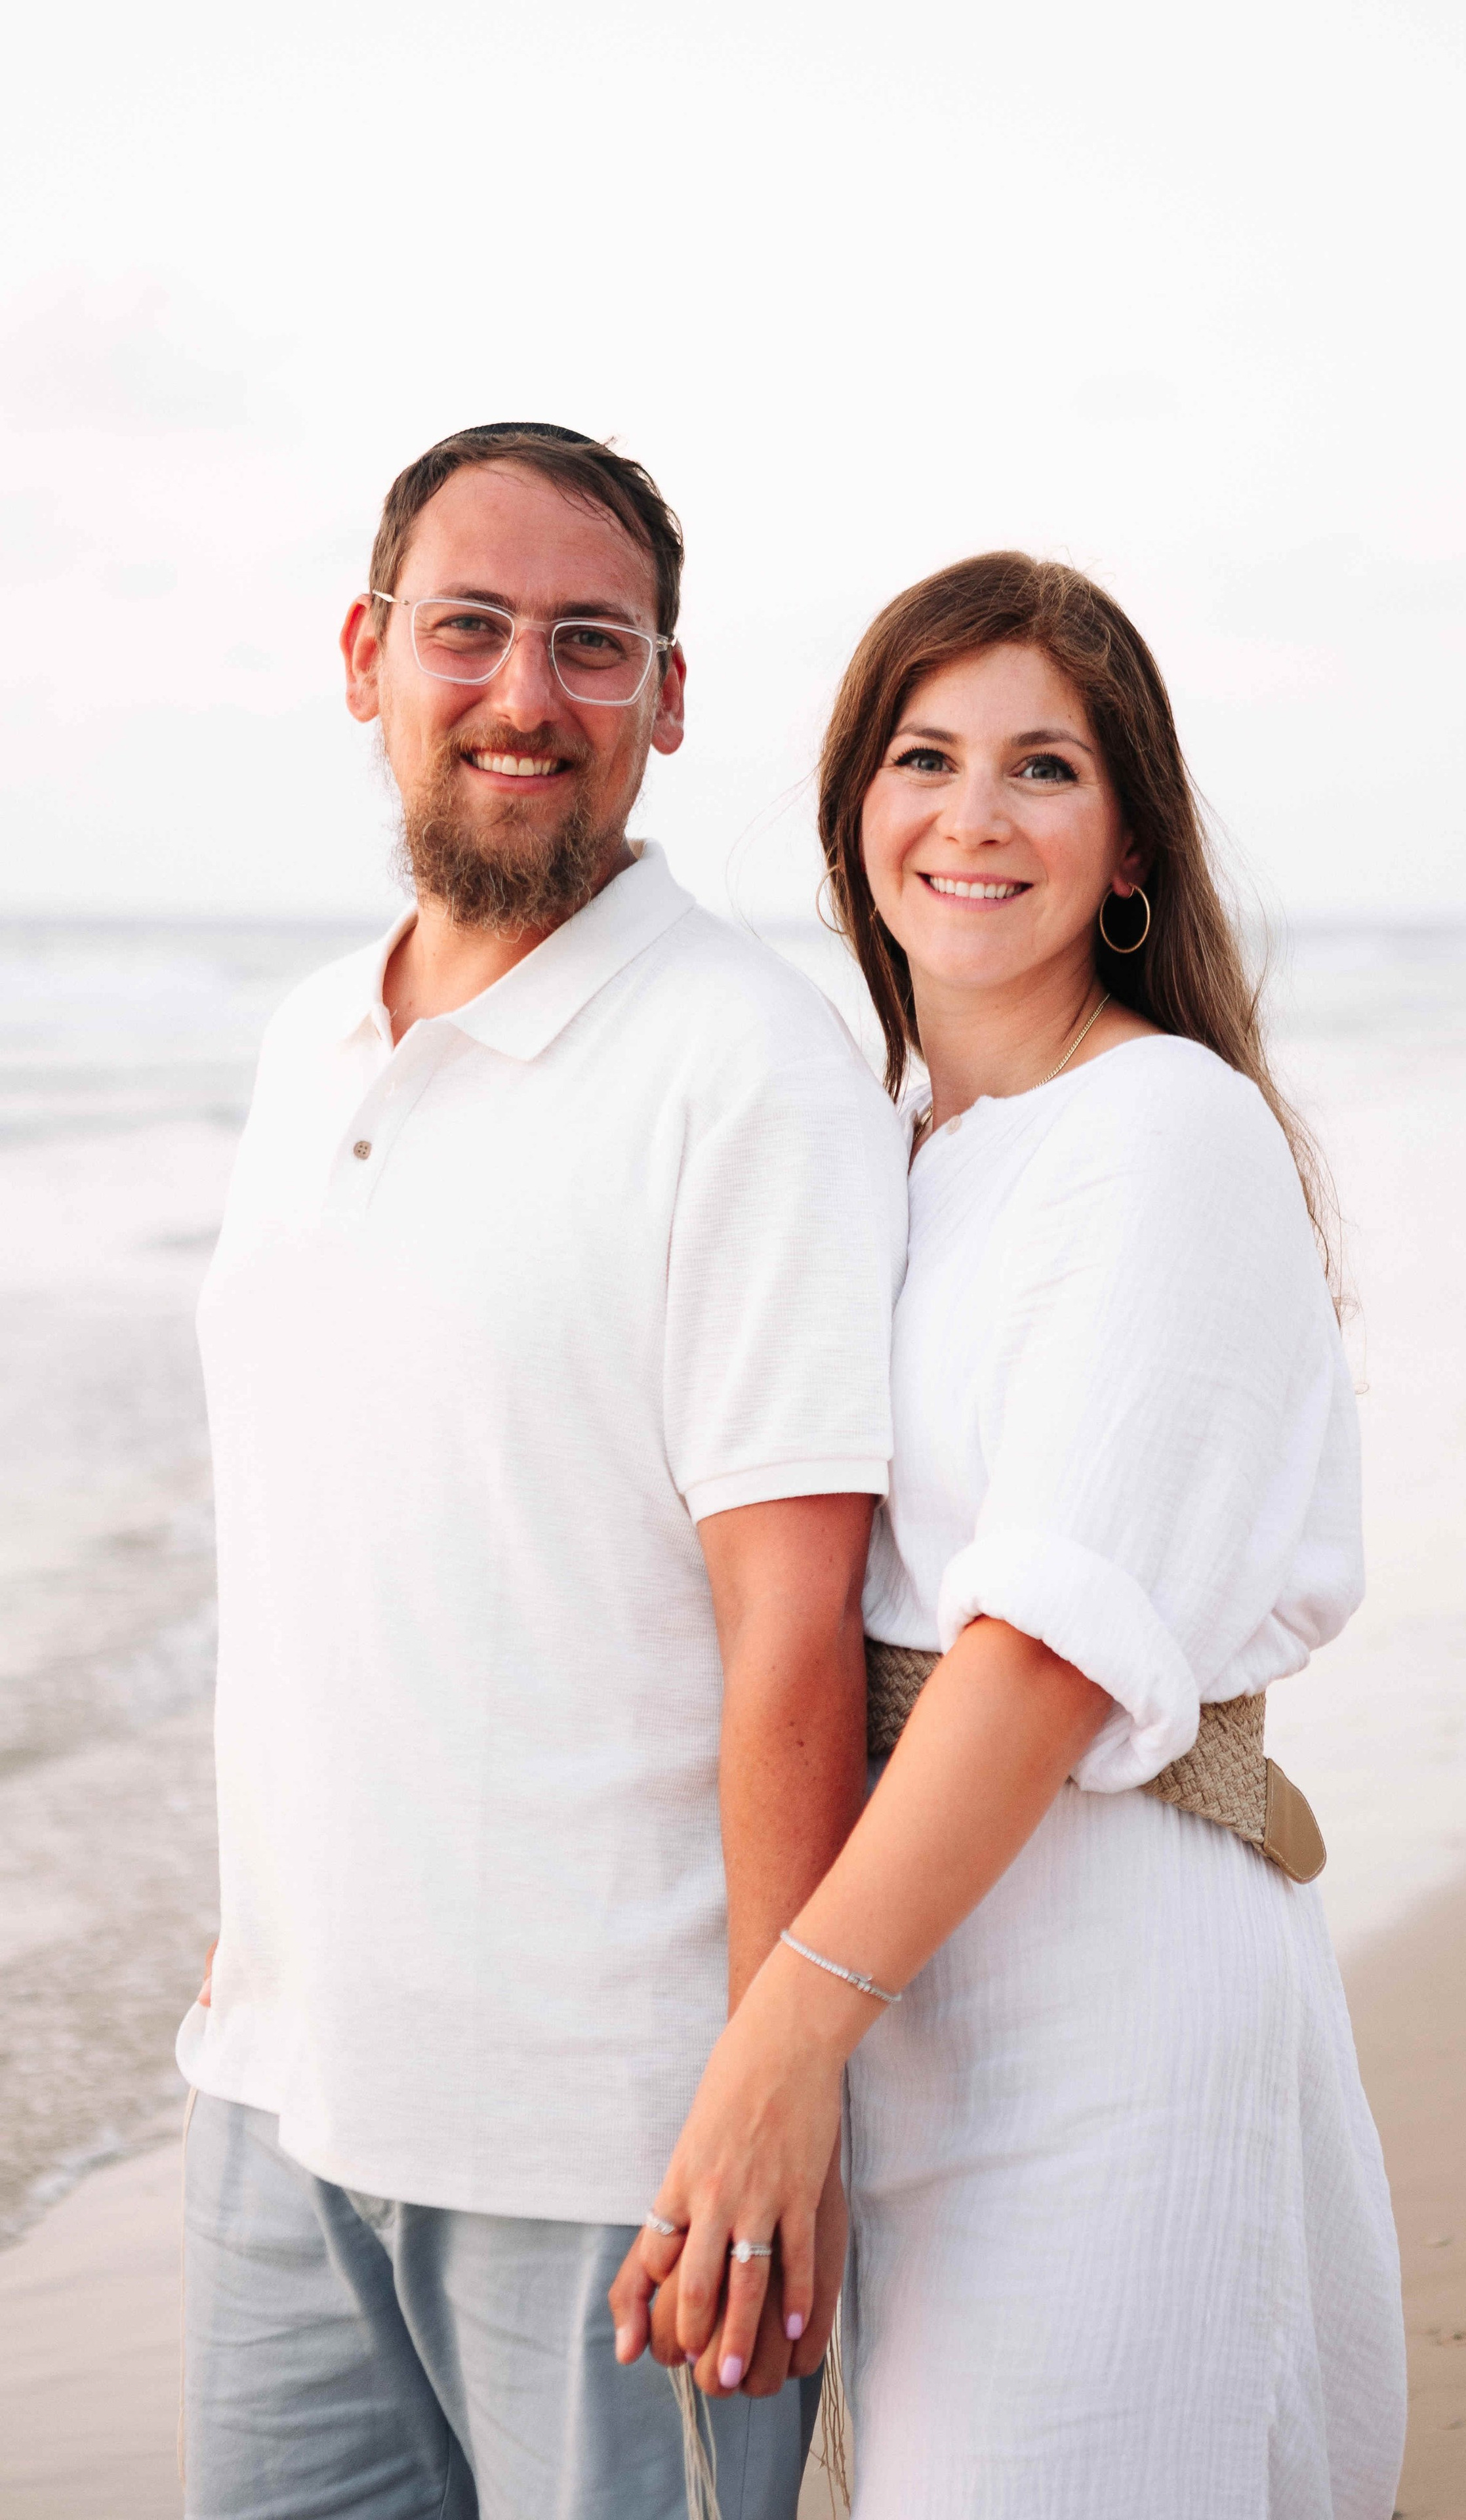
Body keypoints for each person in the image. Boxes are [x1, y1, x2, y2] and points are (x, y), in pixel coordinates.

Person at [613, 553, 1408, 2516]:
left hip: (1102, 1990)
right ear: (854, 818)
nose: (973, 817)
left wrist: (783, 2039)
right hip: (918, 1980)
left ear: (1127, 839)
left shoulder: (1167, 1133)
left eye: (1043, 767)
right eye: (924, 756)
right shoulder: (911, 1153)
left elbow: (1047, 1645)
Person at [177, 422, 906, 2520]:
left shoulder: (747, 1069)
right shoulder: (305, 1039)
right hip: (280, 2094)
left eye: (594, 645)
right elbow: (337, 1527)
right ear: (365, 654)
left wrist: (781, 2093)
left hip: (615, 2157)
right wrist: (263, 1926)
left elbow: (793, 1634)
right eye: (470, 628)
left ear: (671, 699)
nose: (525, 695)